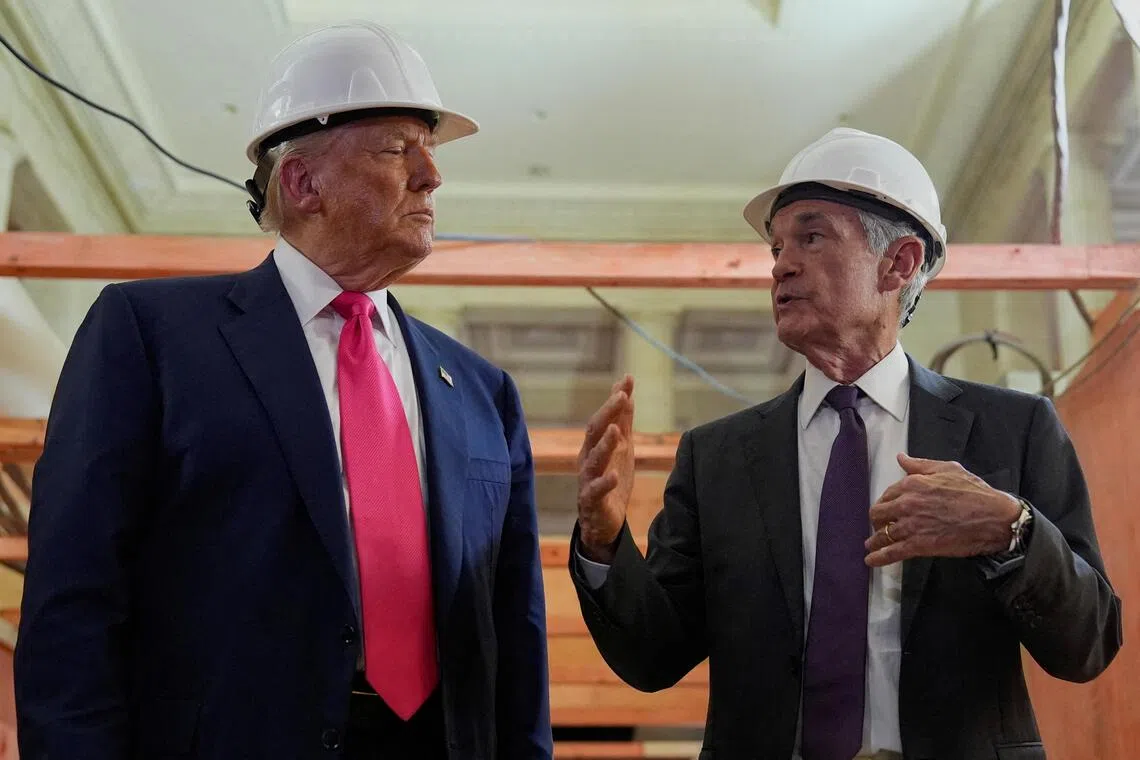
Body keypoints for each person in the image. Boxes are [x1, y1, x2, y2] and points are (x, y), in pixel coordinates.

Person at [15, 21, 552, 760]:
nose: (433, 175)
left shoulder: (484, 393)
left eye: (430, 151)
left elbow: (513, 631)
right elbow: (73, 595)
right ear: (302, 183)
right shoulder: (149, 335)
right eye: (400, 149)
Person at [570, 127, 1122, 760]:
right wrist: (602, 539)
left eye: (811, 236)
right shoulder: (717, 458)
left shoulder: (1014, 430)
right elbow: (652, 656)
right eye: (776, 248)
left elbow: (1088, 645)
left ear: (900, 262)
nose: (782, 264)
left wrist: (1011, 531)